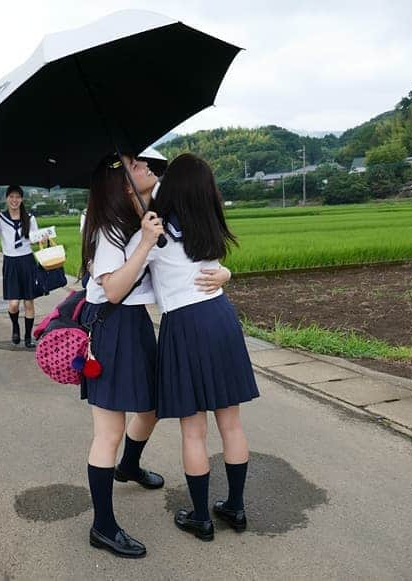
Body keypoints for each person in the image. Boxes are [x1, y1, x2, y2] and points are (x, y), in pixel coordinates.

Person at [79, 154, 231, 558]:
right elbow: (112, 290)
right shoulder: (109, 230)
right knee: (108, 431)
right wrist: (145, 244)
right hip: (112, 325)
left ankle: (129, 466)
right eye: (136, 164)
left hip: (137, 324)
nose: (147, 166)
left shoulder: (140, 214)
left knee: (149, 408)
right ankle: (103, 527)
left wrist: (225, 273)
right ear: (124, 183)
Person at [148, 153, 259, 542]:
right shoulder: (207, 223)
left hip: (183, 326)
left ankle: (200, 517)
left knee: (193, 431)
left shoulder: (157, 233)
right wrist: (226, 273)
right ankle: (237, 508)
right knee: (231, 423)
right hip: (221, 318)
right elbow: (216, 268)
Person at [0, 185, 39, 348]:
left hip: (27, 261)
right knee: (14, 304)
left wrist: (43, 238)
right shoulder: (0, 218)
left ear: (22, 199)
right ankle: (15, 326)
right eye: (11, 197)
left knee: (29, 302)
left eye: (18, 197)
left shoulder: (29, 218)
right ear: (6, 199)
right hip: (11, 262)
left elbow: (35, 239)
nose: (14, 200)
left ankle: (28, 336)